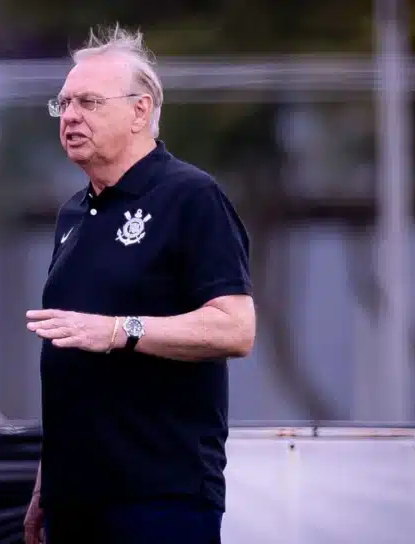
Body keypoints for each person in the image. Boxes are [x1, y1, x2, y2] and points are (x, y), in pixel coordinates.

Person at [23, 26, 256, 544]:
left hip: (160, 496)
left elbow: (235, 329)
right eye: (63, 103)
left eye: (88, 102)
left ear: (139, 111)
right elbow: (70, 363)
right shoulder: (73, 213)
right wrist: (46, 483)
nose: (70, 116)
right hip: (73, 499)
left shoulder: (191, 196)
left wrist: (119, 331)